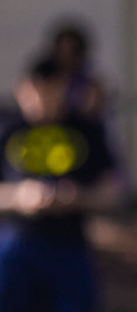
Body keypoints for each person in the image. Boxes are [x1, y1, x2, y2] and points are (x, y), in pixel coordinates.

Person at [0, 55, 126, 311]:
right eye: (35, 92)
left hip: (69, 246)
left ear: (63, 89)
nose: (41, 100)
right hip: (16, 245)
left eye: (49, 91)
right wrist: (18, 197)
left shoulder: (85, 130)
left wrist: (79, 197)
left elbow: (115, 189)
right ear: (22, 90)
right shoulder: (8, 130)